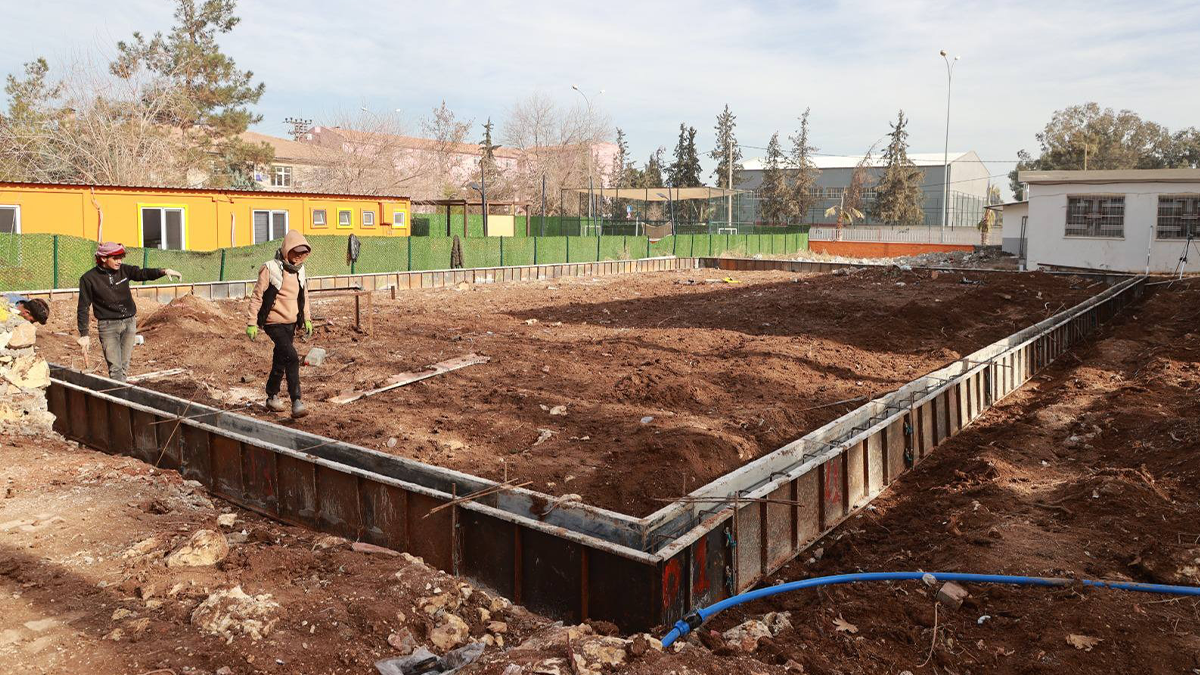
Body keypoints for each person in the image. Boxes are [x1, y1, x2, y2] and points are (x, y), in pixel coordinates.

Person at [76, 242, 181, 381]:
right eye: (115, 258)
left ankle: (120, 395)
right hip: (108, 327)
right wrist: (84, 334)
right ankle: (119, 399)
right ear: (103, 258)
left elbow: (142, 273)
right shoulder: (89, 279)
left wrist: (163, 271)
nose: (120, 261)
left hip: (129, 323)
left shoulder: (124, 270)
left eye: (121, 257)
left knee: (123, 367)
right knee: (115, 368)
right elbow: (83, 307)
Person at [246, 230, 313, 418]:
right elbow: (257, 295)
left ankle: (272, 396)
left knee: (281, 358)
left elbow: (304, 296)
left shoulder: (300, 271)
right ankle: (296, 401)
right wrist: (252, 322)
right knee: (291, 356)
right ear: (286, 250)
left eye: (303, 253)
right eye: (295, 252)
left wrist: (307, 318)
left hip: (291, 322)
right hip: (273, 322)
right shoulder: (270, 268)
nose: (299, 257)